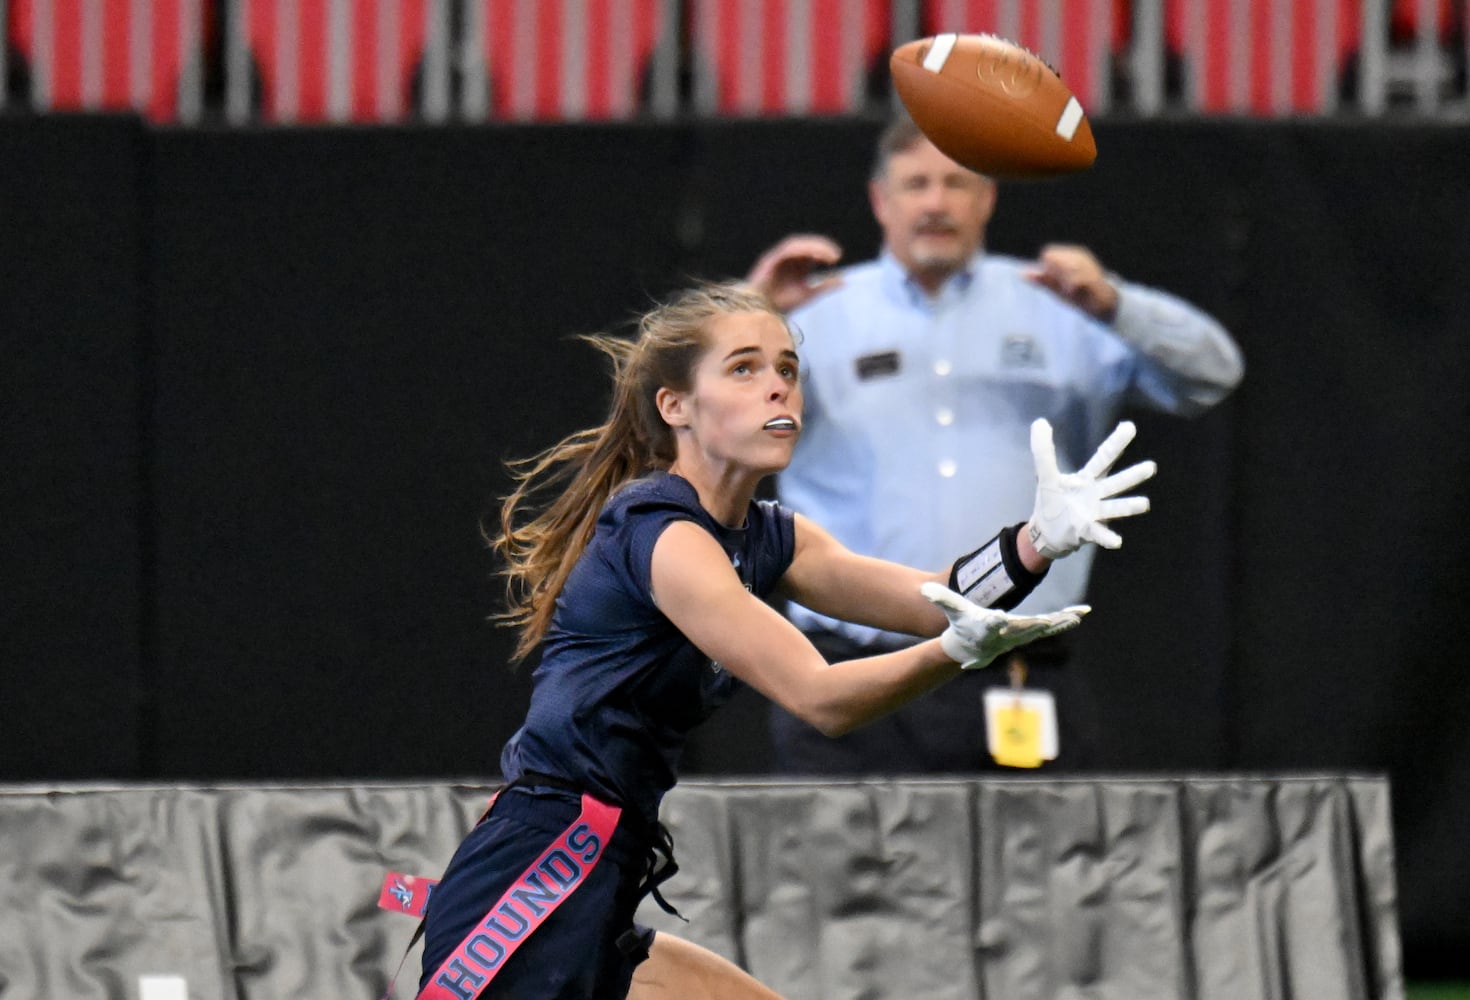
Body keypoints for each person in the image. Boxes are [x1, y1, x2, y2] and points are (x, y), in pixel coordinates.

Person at [416, 281, 1155, 999]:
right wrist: (961, 653)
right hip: (537, 873)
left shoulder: (774, 536)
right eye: (744, 368)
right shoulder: (663, 534)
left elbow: (938, 601)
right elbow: (822, 696)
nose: (779, 389)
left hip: (601, 874)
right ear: (675, 406)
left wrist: (1033, 544)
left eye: (788, 370)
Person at [745, 114, 1244, 775]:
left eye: (956, 183)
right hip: (854, 677)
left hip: (1015, 675)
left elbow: (1213, 375)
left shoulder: (1061, 306)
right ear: (880, 200)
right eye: (916, 183)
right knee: (846, 882)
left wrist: (1116, 304)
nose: (935, 202)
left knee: (1042, 880)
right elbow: (685, 420)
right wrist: (744, 314)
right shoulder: (809, 317)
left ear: (988, 199)